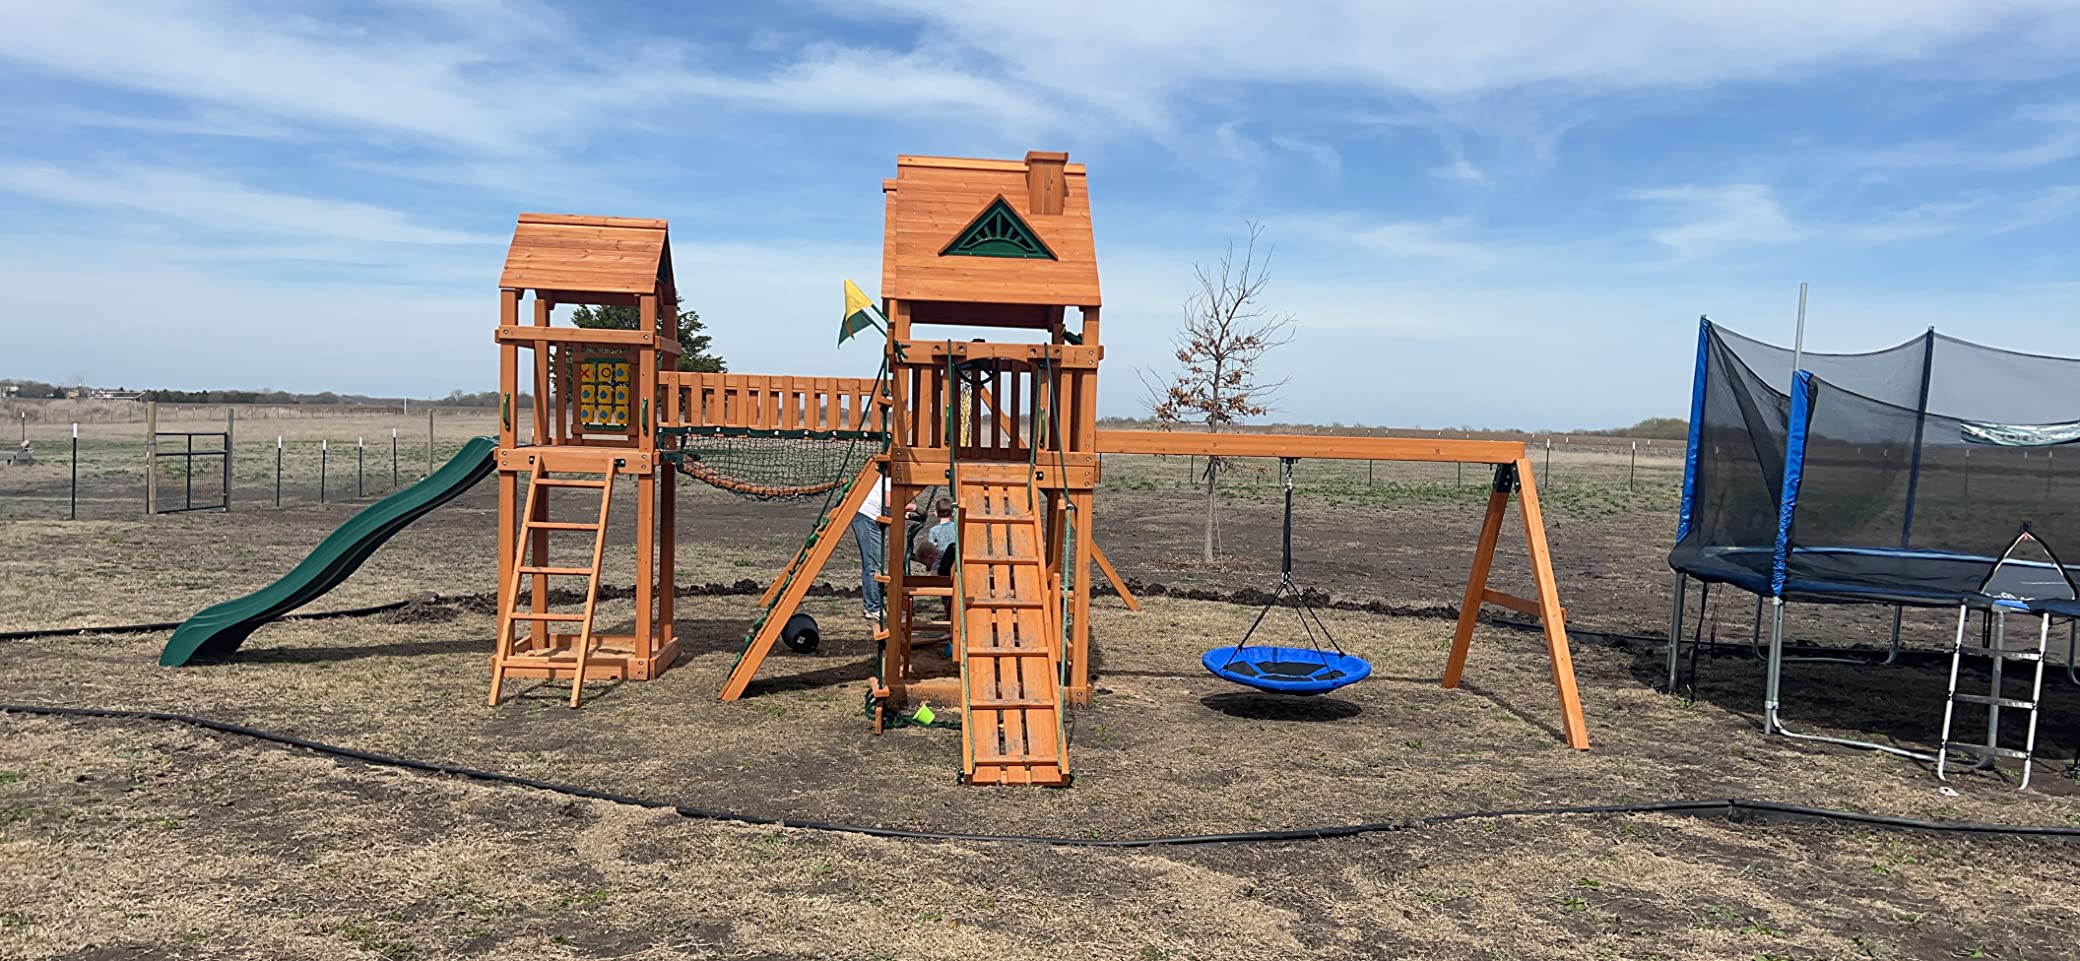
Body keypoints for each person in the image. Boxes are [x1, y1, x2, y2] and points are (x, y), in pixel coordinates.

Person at [852, 474, 920, 624]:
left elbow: (890, 503)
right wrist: (915, 507)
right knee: (872, 565)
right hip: (868, 518)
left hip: (870, 517)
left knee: (874, 564)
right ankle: (873, 608)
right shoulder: (891, 475)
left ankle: (875, 604)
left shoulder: (890, 474)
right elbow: (889, 502)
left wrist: (908, 514)